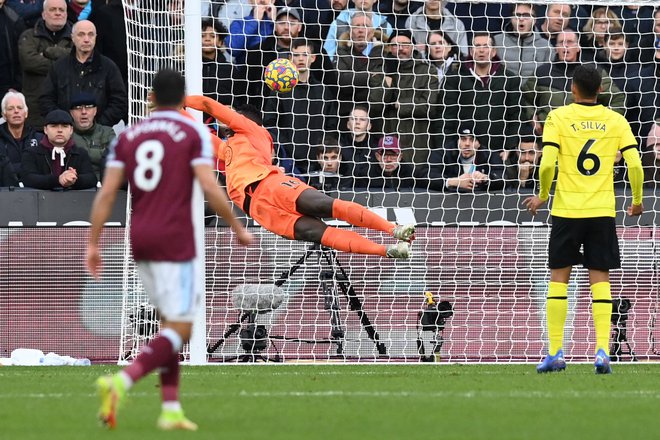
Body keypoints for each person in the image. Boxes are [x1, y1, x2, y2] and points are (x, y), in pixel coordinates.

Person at [87, 69, 253, 431]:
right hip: (176, 236)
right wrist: (237, 226)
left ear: (151, 96)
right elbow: (209, 187)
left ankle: (171, 408)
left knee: (167, 323)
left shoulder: (128, 135)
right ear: (182, 99)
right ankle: (121, 381)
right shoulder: (191, 131)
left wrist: (94, 242)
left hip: (142, 236)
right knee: (182, 327)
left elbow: (107, 191)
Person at [185, 94, 415, 259]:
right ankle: (387, 251)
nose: (224, 117)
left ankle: (392, 229)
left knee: (327, 206)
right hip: (258, 209)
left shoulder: (254, 131)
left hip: (270, 185)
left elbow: (207, 105)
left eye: (232, 114)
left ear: (245, 120)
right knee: (321, 234)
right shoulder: (229, 150)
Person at [523, 65, 644, 374]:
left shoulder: (557, 117)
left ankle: (555, 353)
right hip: (602, 210)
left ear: (573, 89)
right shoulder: (616, 120)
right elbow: (635, 163)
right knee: (600, 280)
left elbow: (548, 162)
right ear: (601, 90)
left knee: (559, 279)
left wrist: (542, 194)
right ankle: (602, 352)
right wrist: (637, 200)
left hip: (567, 211)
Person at [21, 108, 97, 189]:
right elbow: (28, 179)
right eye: (54, 126)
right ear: (45, 130)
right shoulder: (31, 153)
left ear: (71, 130)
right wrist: (58, 180)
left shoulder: (80, 153)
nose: (60, 130)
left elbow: (92, 179)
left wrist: (73, 179)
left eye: (64, 126)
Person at [69, 92, 115, 181]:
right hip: (76, 184)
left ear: (95, 111)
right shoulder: (66, 134)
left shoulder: (107, 132)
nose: (83, 112)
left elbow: (114, 160)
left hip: (103, 183)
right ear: (71, 113)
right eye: (78, 108)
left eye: (88, 107)